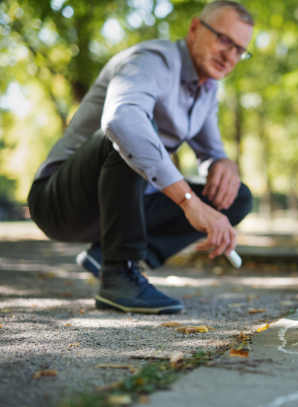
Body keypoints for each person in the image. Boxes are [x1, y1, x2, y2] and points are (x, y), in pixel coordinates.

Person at [27, 1, 254, 315]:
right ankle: (118, 271)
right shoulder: (153, 60)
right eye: (224, 40)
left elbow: (211, 151)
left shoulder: (207, 90)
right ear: (194, 29)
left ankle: (112, 254)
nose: (230, 56)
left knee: (236, 198)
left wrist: (224, 164)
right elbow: (122, 122)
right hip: (61, 202)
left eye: (240, 50)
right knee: (135, 129)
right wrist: (189, 201)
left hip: (123, 206)